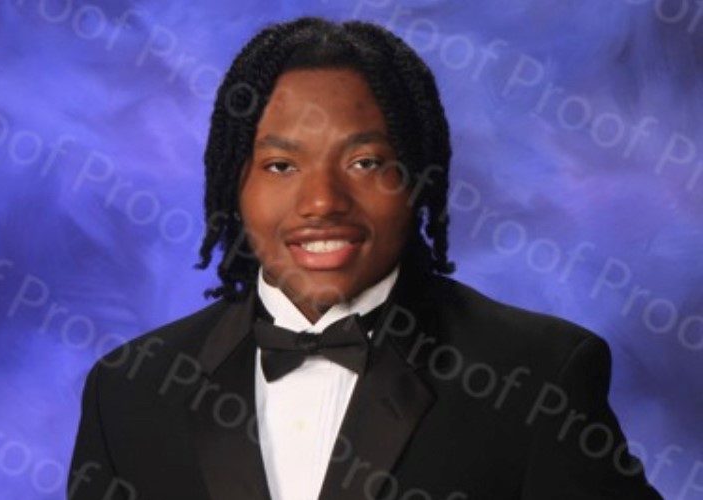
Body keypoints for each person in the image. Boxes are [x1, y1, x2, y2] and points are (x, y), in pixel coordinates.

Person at [67, 16, 663, 500]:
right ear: (233, 185)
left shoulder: (536, 377)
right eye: (281, 165)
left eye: (366, 162)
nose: (322, 201)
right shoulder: (130, 391)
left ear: (417, 179)